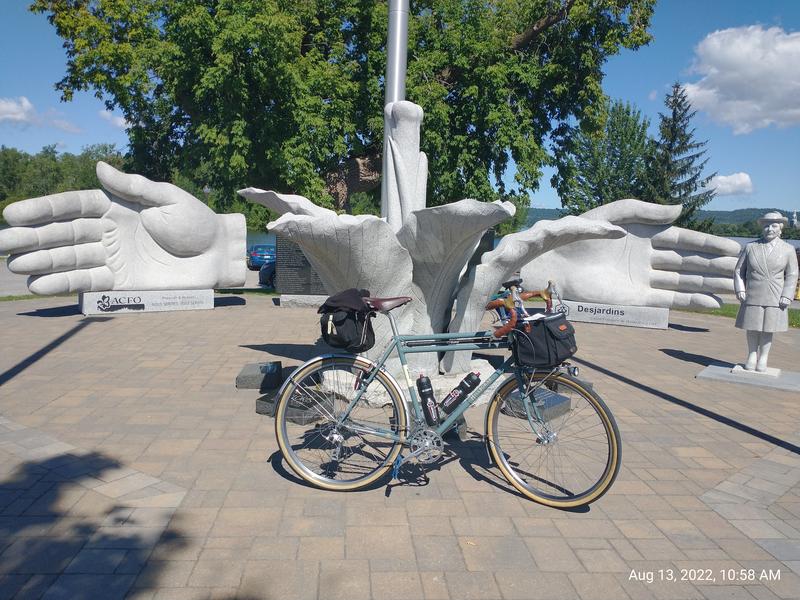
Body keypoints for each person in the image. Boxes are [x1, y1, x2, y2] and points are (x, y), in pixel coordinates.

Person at [734, 212, 799, 372]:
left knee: (768, 328)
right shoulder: (751, 247)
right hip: (753, 294)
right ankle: (751, 355)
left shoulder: (788, 249)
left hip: (775, 296)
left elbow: (792, 274)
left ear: (780, 229)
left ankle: (763, 358)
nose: (770, 229)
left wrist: (787, 295)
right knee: (752, 326)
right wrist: (740, 288)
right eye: (766, 225)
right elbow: (738, 271)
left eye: (774, 226)